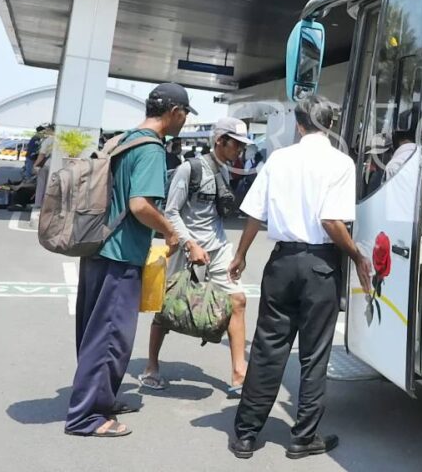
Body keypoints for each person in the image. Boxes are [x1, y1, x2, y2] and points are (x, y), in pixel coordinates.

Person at [226, 96, 372, 460]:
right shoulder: (341, 163)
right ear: (330, 126)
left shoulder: (278, 159)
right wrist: (356, 256)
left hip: (282, 263)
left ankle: (246, 435)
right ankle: (303, 437)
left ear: (299, 124)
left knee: (267, 348)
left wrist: (240, 254)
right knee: (314, 354)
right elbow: (331, 221)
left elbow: (255, 214)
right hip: (320, 266)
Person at [64, 83, 204, 439]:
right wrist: (170, 232)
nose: (184, 121)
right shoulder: (151, 148)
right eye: (184, 114)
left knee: (95, 333)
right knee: (110, 336)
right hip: (120, 254)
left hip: (97, 247)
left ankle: (101, 399)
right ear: (174, 112)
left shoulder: (123, 139)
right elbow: (140, 205)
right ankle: (86, 417)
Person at [140, 118, 253, 396]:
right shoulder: (189, 169)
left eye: (242, 145)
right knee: (167, 307)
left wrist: (236, 255)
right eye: (236, 144)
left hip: (218, 248)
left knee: (238, 300)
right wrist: (190, 244)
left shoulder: (225, 170)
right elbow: (171, 212)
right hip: (186, 249)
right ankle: (151, 367)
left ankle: (239, 374)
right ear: (220, 141)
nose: (240, 150)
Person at [33, 124, 55, 209]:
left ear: (52, 130)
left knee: (41, 184)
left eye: (48, 130)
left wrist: (35, 165)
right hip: (56, 166)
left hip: (45, 165)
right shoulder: (61, 141)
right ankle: (48, 204)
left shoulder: (48, 140)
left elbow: (42, 155)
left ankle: (38, 203)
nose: (46, 131)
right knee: (50, 186)